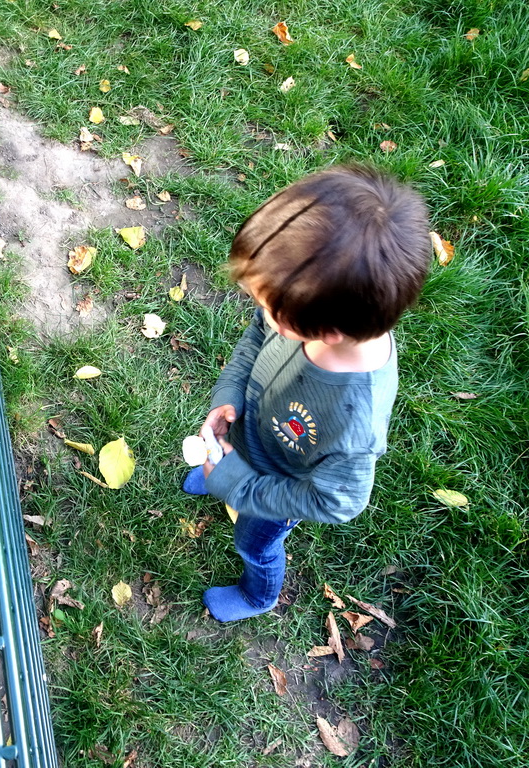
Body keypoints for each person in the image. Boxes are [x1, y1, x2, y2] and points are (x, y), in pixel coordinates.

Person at [184, 164, 431, 622]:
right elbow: (256, 338)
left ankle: (259, 595)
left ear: (329, 332)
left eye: (271, 311)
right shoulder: (303, 311)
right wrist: (231, 393)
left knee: (253, 542)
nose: (263, 316)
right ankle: (223, 474)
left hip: (279, 485)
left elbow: (336, 501)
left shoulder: (352, 419)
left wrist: (242, 487)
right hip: (251, 441)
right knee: (229, 478)